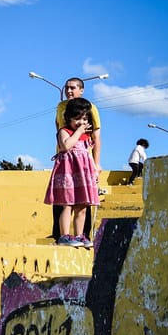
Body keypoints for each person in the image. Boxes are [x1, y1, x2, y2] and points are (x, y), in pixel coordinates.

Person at [44, 98, 100, 247]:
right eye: (77, 119)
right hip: (68, 172)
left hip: (83, 173)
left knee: (81, 206)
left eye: (84, 119)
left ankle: (80, 235)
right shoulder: (64, 131)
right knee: (67, 204)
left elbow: (89, 151)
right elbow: (66, 146)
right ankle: (64, 236)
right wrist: (79, 131)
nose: (81, 122)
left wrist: (94, 169)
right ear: (68, 118)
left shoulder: (86, 136)